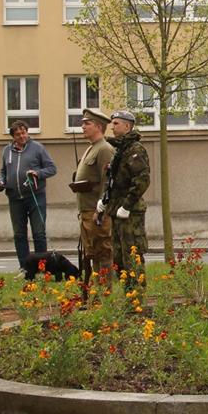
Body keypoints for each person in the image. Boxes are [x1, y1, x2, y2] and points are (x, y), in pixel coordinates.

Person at [98, 110, 151, 283]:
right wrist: (105, 200)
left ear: (127, 126)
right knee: (119, 257)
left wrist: (127, 206)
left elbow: (142, 180)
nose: (112, 127)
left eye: (116, 124)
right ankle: (128, 293)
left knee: (132, 255)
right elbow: (113, 179)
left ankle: (137, 294)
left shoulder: (136, 150)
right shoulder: (120, 150)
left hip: (131, 212)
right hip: (117, 208)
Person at [0, 120, 57, 270]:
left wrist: (37, 173)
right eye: (18, 134)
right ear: (13, 136)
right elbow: (3, 171)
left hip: (36, 196)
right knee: (19, 234)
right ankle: (25, 267)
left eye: (24, 133)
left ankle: (42, 267)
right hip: (15, 198)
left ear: (27, 132)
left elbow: (52, 168)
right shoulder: (6, 151)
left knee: (39, 233)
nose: (22, 136)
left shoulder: (37, 148)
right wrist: (1, 181)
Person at [72, 108, 115, 278]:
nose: (83, 127)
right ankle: (98, 289)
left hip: (96, 212)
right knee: (93, 253)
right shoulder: (92, 148)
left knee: (103, 252)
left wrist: (101, 210)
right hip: (87, 211)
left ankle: (105, 290)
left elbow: (107, 181)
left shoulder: (104, 149)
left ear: (98, 126)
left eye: (87, 123)